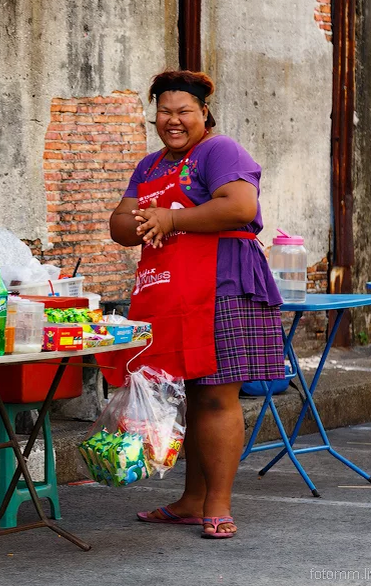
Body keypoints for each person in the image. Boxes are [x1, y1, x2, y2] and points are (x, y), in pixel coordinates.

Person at [107, 70, 284, 538]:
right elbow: (120, 225)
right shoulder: (149, 166)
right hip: (172, 292)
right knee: (185, 396)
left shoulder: (219, 151)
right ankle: (190, 500)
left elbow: (241, 206)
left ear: (204, 112)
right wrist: (147, 218)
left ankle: (218, 504)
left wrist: (171, 217)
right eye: (164, 111)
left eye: (184, 111)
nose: (173, 120)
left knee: (215, 394)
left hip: (223, 286)